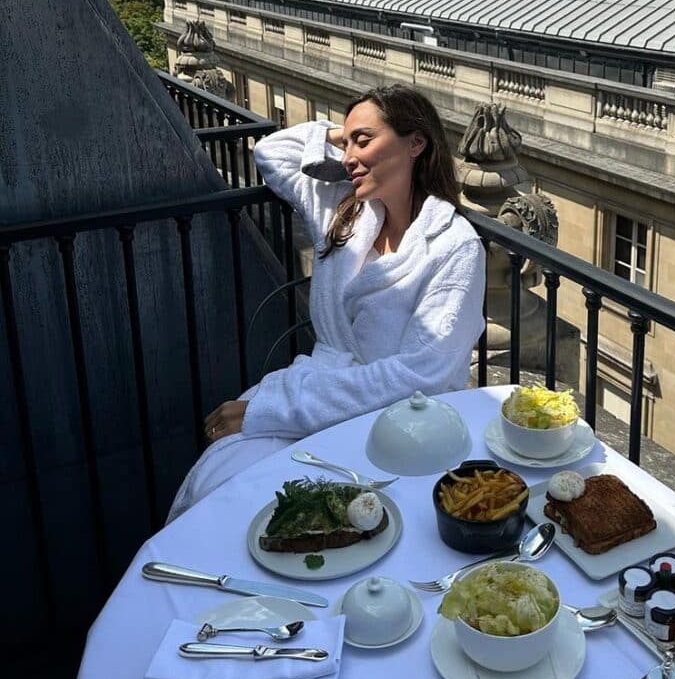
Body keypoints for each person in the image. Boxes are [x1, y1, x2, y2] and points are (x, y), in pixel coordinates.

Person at [167, 84, 486, 520]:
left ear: (416, 143)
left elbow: (422, 375)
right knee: (219, 491)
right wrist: (343, 132)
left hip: (401, 423)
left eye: (365, 140)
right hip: (323, 388)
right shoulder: (344, 212)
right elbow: (271, 152)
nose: (349, 158)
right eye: (346, 143)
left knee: (277, 511)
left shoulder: (453, 247)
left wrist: (274, 410)